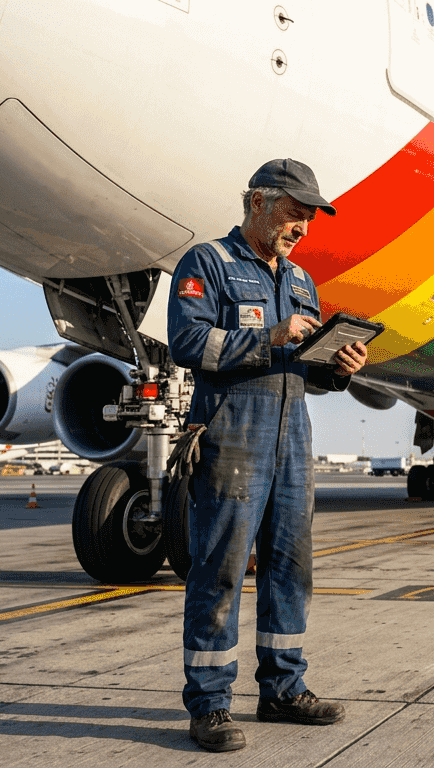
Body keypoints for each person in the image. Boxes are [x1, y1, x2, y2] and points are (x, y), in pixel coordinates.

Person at [168, 158, 369, 753]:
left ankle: (283, 689)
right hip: (233, 430)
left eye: (308, 218)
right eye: (294, 213)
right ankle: (209, 704)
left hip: (292, 434)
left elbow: (304, 368)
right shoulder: (209, 263)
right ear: (258, 202)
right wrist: (271, 337)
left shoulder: (300, 279)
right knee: (221, 567)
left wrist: (339, 368)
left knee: (290, 567)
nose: (302, 227)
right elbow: (186, 341)